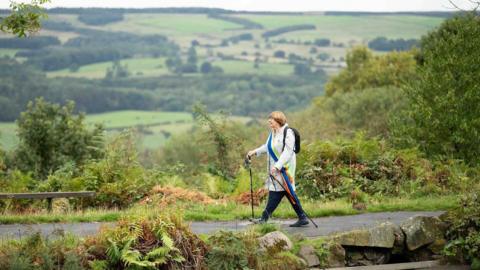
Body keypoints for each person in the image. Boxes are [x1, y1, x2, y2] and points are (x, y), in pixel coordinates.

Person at [247, 111, 309, 227]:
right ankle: (301, 217)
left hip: (285, 168)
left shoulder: (288, 132)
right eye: (269, 121)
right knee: (283, 191)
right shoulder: (273, 133)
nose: (269, 123)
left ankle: (264, 218)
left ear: (278, 120)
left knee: (280, 191)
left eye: (272, 121)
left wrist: (277, 166)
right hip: (276, 168)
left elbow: (288, 152)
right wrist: (254, 152)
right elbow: (268, 147)